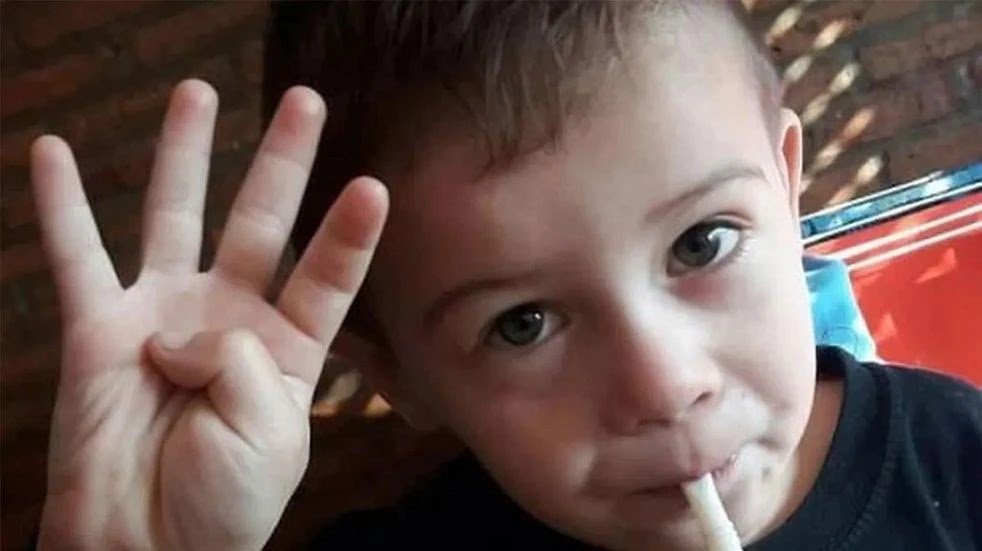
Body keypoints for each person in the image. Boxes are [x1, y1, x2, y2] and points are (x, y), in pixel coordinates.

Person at [29, 1, 980, 549]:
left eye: (702, 243)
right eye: (522, 323)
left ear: (785, 181)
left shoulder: (960, 465)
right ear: (397, 374)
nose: (663, 385)